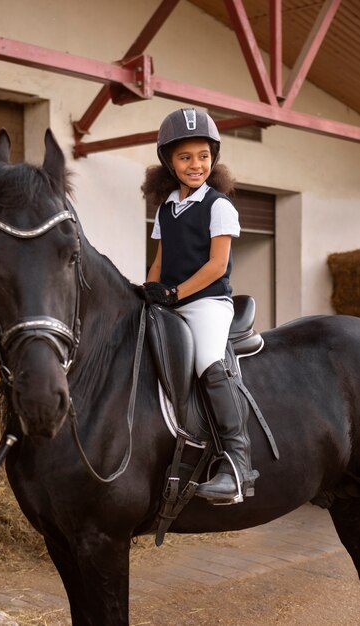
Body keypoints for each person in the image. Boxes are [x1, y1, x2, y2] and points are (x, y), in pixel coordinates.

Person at [141, 107, 259, 503]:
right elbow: (160, 260)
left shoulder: (218, 205)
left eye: (204, 155)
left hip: (208, 302)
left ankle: (238, 464)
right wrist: (149, 290)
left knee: (208, 359)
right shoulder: (166, 208)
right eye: (186, 157)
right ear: (169, 163)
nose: (197, 164)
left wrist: (175, 294)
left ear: (214, 157)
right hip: (172, 303)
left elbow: (217, 265)